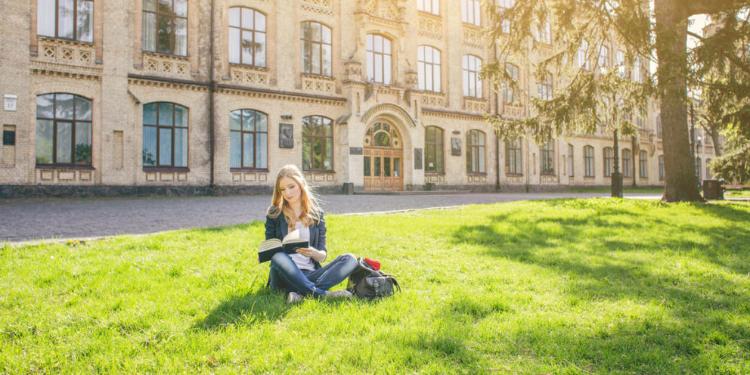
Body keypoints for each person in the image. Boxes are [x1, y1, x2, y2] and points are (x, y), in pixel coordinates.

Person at [265, 164, 358, 304]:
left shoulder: (317, 214)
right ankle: (321, 294)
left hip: (310, 273)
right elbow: (270, 251)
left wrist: (314, 253)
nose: (287, 193)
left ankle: (299, 294)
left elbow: (322, 255)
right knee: (278, 257)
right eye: (282, 189)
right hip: (282, 275)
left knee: (350, 259)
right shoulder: (274, 213)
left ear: (301, 184)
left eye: (291, 187)